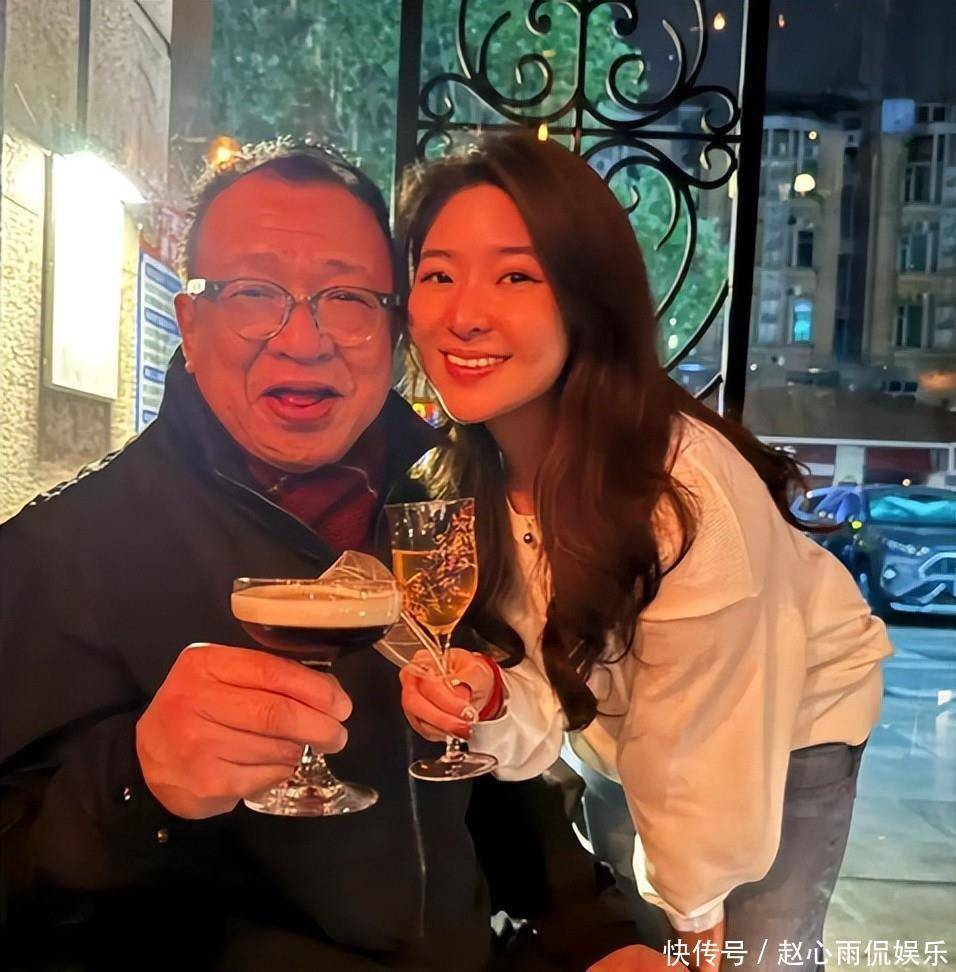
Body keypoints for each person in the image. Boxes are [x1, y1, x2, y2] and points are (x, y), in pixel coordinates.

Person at [0, 139, 639, 971]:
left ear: (395, 327)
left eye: (347, 298)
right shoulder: (61, 555)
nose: (302, 340)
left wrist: (595, 928)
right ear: (190, 322)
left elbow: (485, 764)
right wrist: (136, 779)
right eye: (254, 293)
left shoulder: (449, 501)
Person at [396, 132, 894, 971]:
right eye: (437, 274)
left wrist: (695, 917)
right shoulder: (456, 479)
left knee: (742, 953)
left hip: (782, 725)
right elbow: (539, 707)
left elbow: (707, 735)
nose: (464, 313)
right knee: (637, 917)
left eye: (516, 276)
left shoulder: (681, 489)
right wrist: (487, 696)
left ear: (589, 301)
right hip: (625, 730)